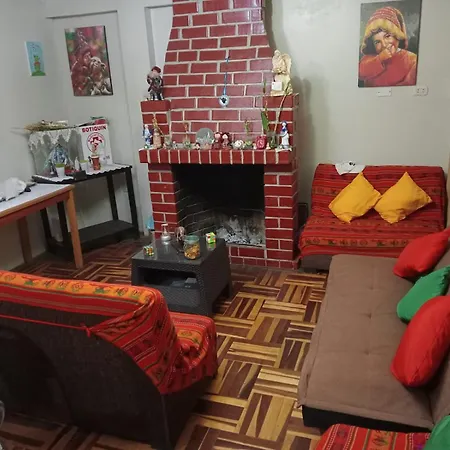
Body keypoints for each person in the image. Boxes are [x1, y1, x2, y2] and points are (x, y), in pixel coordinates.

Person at [358, 6, 417, 87]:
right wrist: (380, 59)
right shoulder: (369, 58)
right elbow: (360, 73)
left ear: (397, 35)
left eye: (387, 36)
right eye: (377, 42)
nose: (384, 44)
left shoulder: (412, 59)